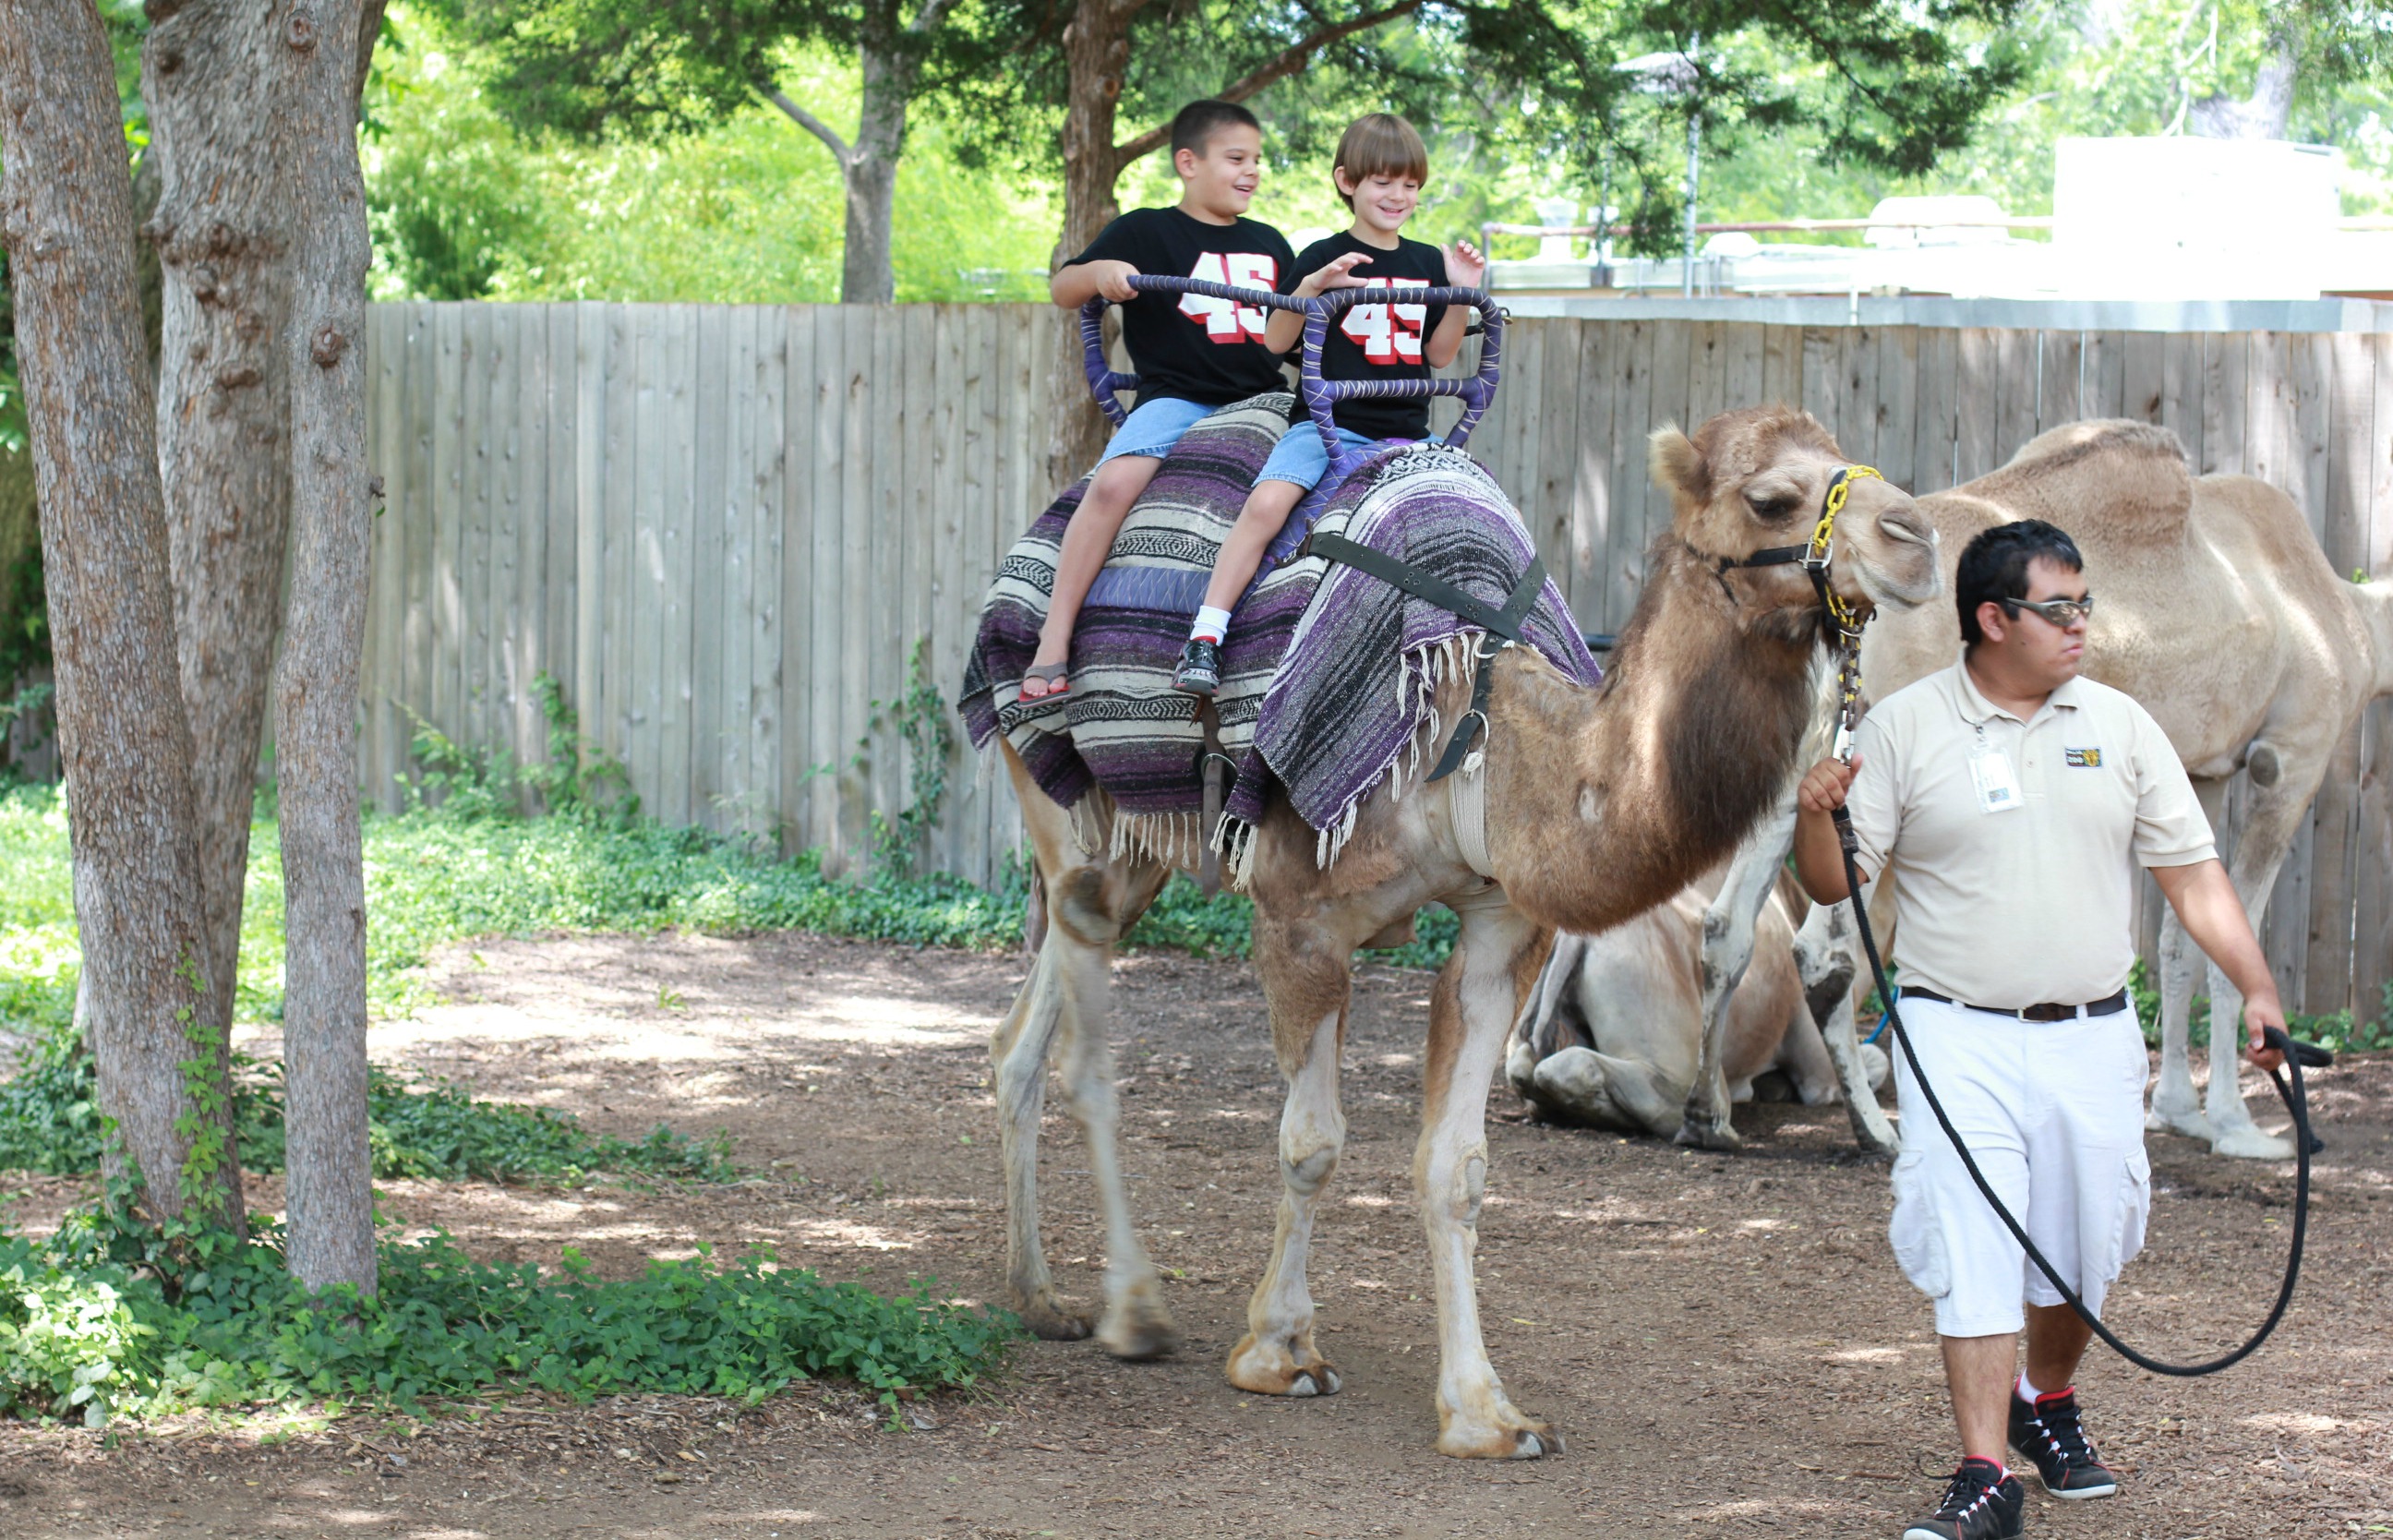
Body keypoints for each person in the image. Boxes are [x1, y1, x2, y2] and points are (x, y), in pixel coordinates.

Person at [1789, 520, 2288, 1540]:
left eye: (2085, 605)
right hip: (1953, 1033)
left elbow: (2193, 877)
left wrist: (2263, 994)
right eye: (2060, 609)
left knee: (2081, 1250)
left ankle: (2044, 1401)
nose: (2082, 627)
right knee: (1975, 1244)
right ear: (1992, 617)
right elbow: (1836, 882)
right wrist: (1813, 815)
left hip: (2095, 1036)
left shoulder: (2121, 724)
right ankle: (1983, 1474)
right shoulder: (1907, 728)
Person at [1172, 112, 1485, 695]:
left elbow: (1440, 356)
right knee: (1267, 504)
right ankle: (1207, 632)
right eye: (1383, 182)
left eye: (1410, 185)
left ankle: (1479, 638)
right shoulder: (1323, 252)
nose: (1398, 196)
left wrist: (1462, 290)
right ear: (1348, 182)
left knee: (1472, 506)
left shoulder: (1425, 263)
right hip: (1327, 425)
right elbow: (1274, 341)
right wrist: (1311, 286)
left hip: (1407, 433)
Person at [1025, 100, 1297, 702]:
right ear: (1188, 163)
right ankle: (1054, 636)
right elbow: (1062, 289)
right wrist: (1101, 273)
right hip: (1179, 399)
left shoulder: (1272, 243)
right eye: (1236, 158)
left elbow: (1295, 338)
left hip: (1262, 400)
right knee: (1113, 485)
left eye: (1257, 160)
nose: (1251, 171)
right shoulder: (1146, 231)